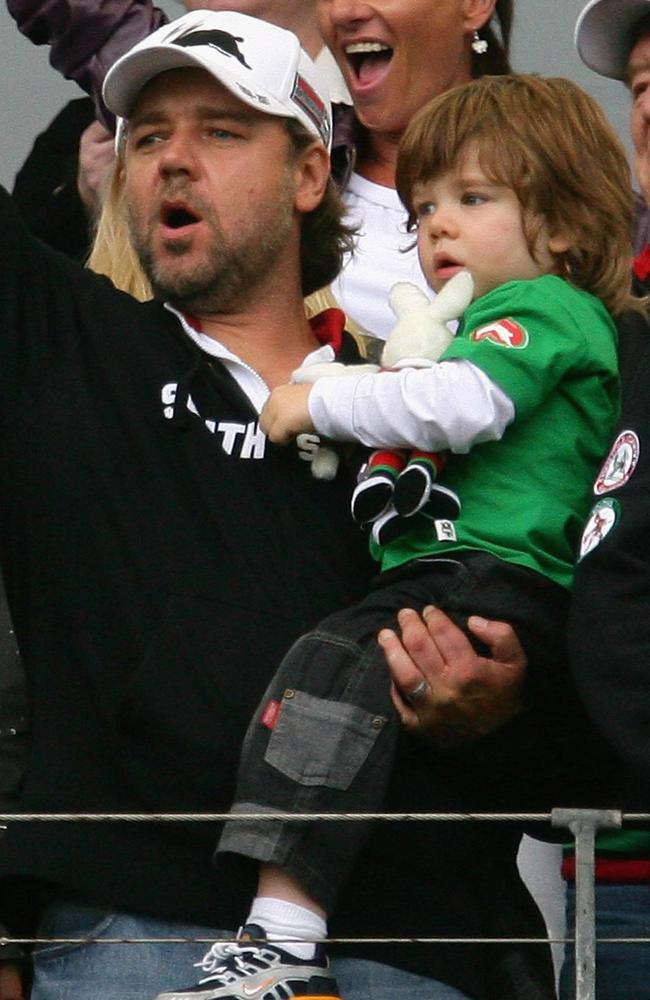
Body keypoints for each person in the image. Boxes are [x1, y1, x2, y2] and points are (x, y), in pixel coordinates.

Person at [0, 11, 558, 1000]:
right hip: (146, 931)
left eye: (219, 132)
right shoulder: (68, 350)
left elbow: (590, 659)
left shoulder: (431, 408)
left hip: (421, 944)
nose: (173, 161)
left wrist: (508, 695)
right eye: (149, 136)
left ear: (308, 175)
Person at [150, 72, 636, 1000]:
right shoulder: (481, 321)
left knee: (325, 669)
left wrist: (317, 400)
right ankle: (288, 933)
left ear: (566, 224)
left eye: (473, 199)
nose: (438, 226)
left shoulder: (541, 309)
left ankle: (284, 935)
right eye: (422, 211)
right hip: (461, 577)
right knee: (341, 686)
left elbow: (455, 406)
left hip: (489, 576)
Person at [7, 0, 513, 339]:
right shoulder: (291, 137)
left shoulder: (546, 164)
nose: (349, 10)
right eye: (151, 137)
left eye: (220, 133)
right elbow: (92, 19)